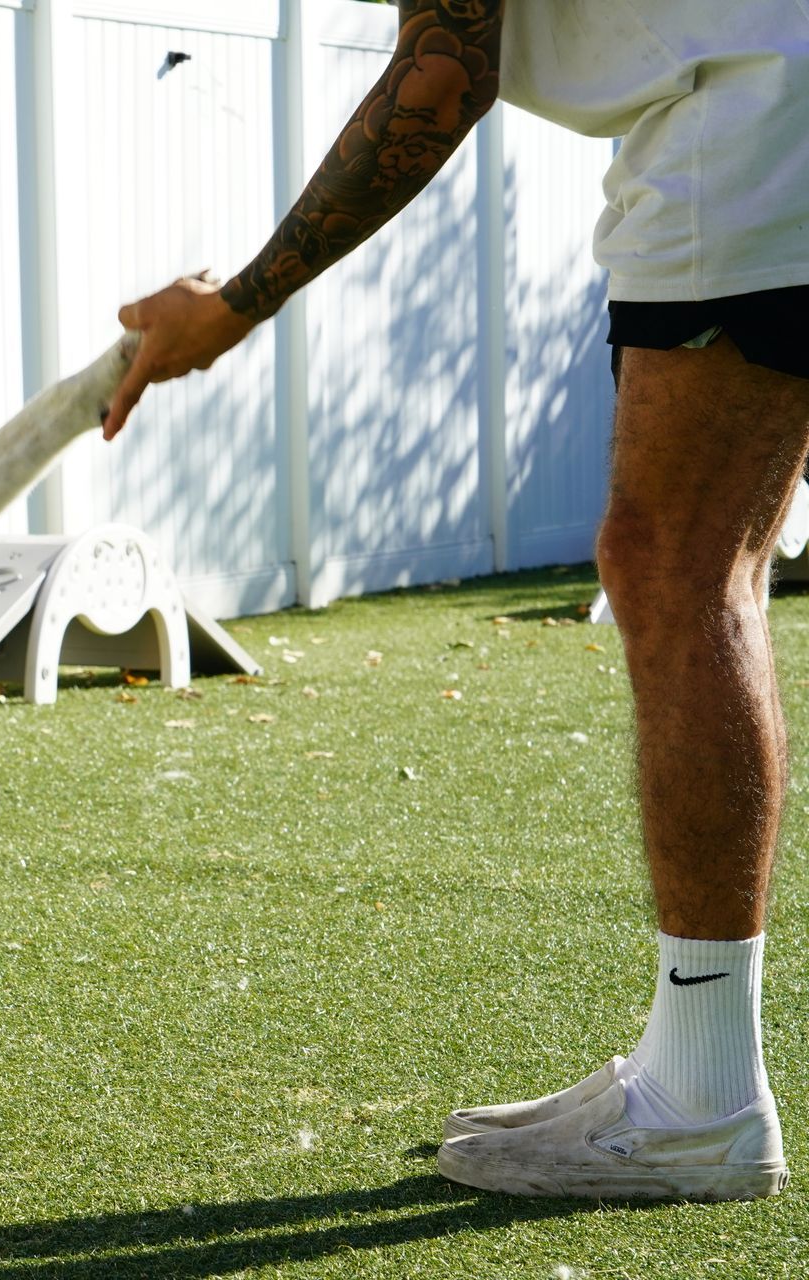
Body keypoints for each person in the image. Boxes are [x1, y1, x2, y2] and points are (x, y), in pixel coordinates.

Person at [105, 0, 809, 1201]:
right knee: (696, 566)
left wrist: (235, 307)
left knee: (683, 570)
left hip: (748, 116)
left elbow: (436, 84)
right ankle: (695, 1057)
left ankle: (705, 1097)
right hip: (753, 103)